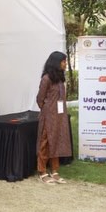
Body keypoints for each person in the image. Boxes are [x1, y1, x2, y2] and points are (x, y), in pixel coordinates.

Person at [36, 51, 71, 184]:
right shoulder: (46, 78)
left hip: (59, 116)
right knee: (45, 143)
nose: (65, 64)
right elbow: (40, 99)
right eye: (63, 61)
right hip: (49, 116)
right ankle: (42, 171)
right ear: (56, 62)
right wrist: (47, 110)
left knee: (56, 141)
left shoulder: (60, 78)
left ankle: (54, 170)